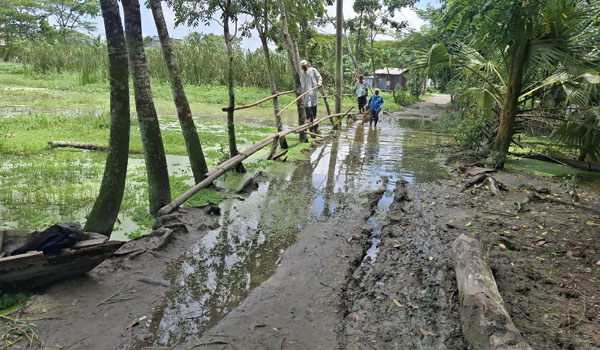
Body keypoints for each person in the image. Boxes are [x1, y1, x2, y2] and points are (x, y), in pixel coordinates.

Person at [299, 59, 323, 135]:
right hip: (306, 91)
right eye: (302, 67)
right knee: (307, 105)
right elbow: (301, 82)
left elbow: (319, 77)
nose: (304, 68)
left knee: (313, 104)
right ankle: (310, 118)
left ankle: (313, 118)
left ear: (307, 65)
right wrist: (301, 93)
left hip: (314, 90)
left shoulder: (313, 70)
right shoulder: (302, 73)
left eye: (305, 66)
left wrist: (319, 83)